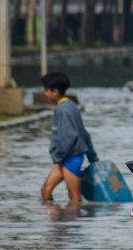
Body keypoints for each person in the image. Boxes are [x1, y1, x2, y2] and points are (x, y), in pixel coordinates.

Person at [40, 72, 99, 203]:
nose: (45, 93)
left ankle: (71, 222)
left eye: (46, 90)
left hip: (70, 157)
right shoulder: (71, 106)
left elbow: (70, 137)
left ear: (55, 92)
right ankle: (56, 221)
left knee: (74, 197)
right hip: (64, 158)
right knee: (46, 190)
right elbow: (84, 133)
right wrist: (92, 157)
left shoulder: (63, 109)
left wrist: (58, 157)